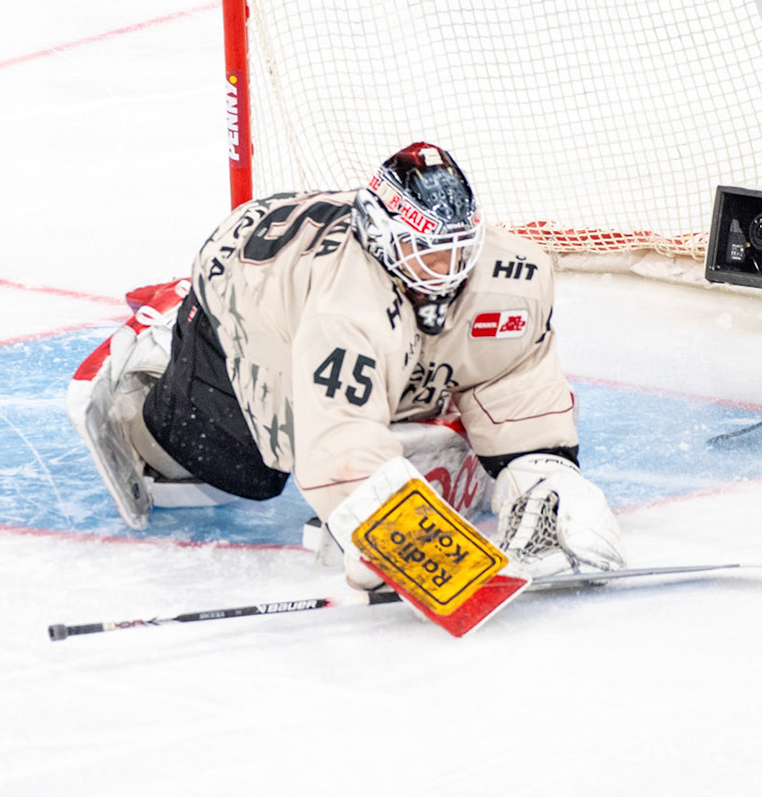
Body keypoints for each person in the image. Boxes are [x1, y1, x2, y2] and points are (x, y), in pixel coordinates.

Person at [68, 141, 625, 589]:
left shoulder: (514, 276)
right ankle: (171, 339)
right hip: (247, 285)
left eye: (459, 251)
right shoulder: (346, 305)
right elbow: (336, 445)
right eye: (429, 254)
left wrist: (549, 479)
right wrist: (391, 535)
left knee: (419, 378)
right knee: (244, 469)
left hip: (346, 298)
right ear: (384, 238)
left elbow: (515, 376)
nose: (448, 270)